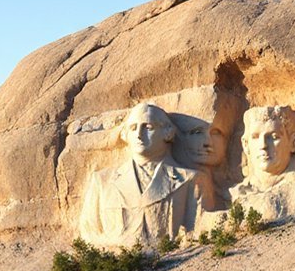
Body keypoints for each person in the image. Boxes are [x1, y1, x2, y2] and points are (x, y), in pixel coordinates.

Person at [79, 103, 202, 246]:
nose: (139, 135)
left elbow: (200, 227)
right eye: (133, 128)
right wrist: (121, 245)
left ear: (168, 133)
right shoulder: (102, 180)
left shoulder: (189, 178)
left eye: (148, 127)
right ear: (125, 135)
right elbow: (89, 232)